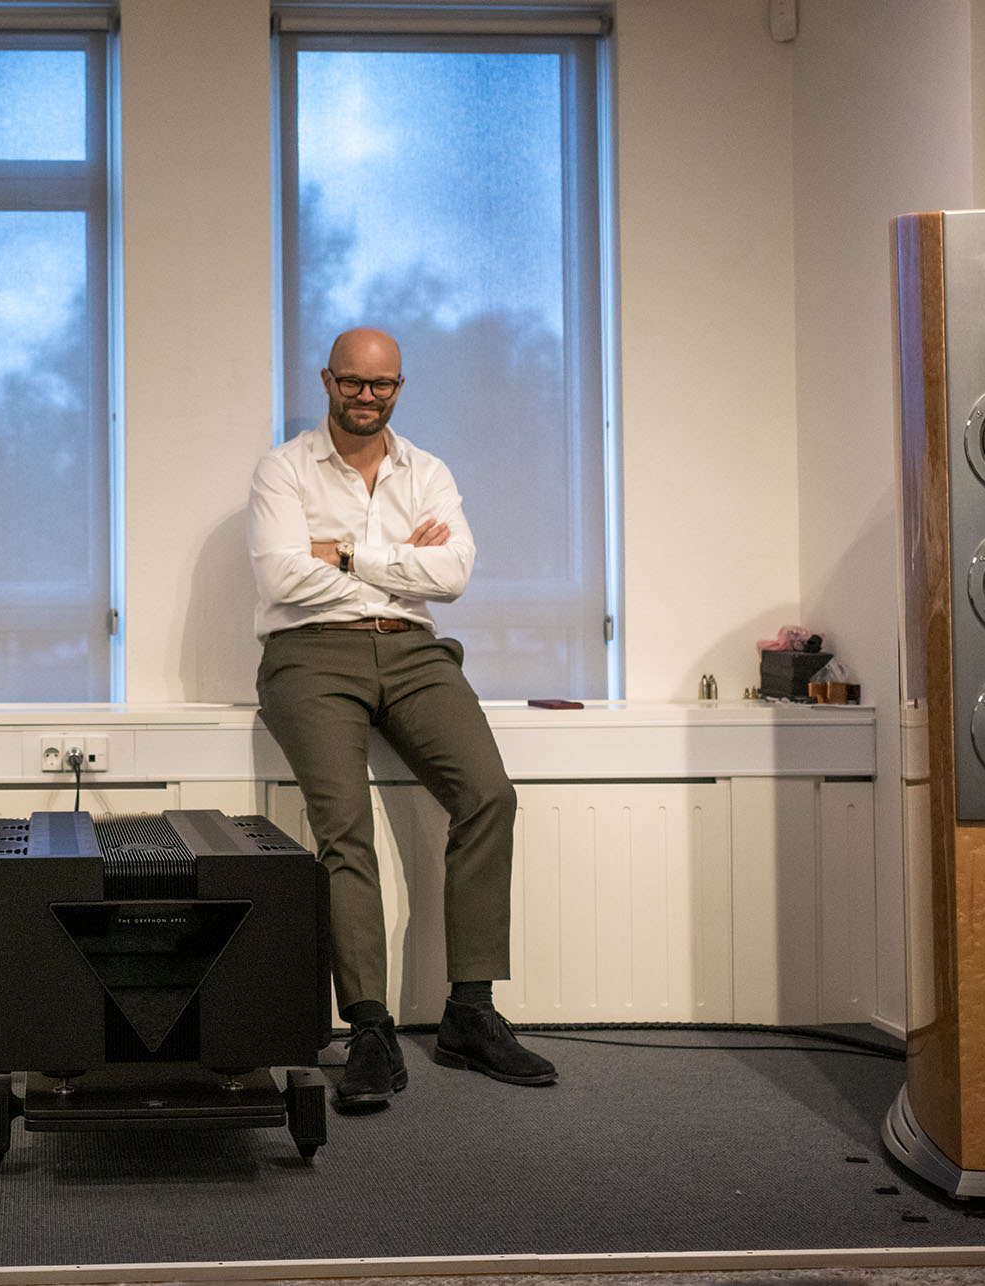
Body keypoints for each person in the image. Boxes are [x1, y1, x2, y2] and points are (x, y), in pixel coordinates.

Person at [246, 326, 555, 1114]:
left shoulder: (429, 472)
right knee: (343, 827)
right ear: (327, 381)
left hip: (415, 653)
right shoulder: (283, 468)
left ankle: (469, 1013)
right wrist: (397, 563)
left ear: (399, 387)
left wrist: (345, 554)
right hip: (309, 656)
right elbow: (282, 576)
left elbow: (452, 575)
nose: (365, 396)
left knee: (488, 796)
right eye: (351, 381)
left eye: (380, 384)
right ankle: (369, 1029)